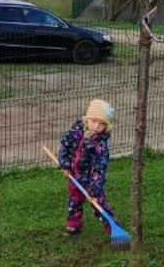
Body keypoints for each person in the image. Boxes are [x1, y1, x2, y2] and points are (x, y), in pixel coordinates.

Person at [57, 99, 121, 237]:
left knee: (98, 204)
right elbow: (65, 145)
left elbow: (99, 168)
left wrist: (94, 188)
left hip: (91, 180)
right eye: (94, 121)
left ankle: (114, 228)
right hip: (74, 175)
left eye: (102, 123)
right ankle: (73, 225)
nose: (97, 126)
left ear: (107, 126)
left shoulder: (100, 145)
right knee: (75, 200)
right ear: (87, 119)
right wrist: (65, 164)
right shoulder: (75, 131)